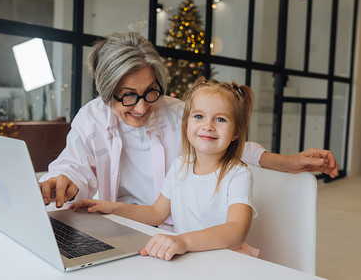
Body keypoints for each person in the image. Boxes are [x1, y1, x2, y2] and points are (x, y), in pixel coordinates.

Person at [39, 31, 338, 210]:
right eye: (128, 96)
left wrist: (288, 162)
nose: (142, 107)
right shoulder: (91, 118)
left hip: (167, 227)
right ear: (106, 94)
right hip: (118, 224)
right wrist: (63, 183)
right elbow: (74, 168)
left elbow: (227, 144)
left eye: (150, 92)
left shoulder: (174, 112)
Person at [71, 78, 259, 260]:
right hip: (189, 258)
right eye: (199, 116)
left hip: (225, 261)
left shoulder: (237, 174)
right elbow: (155, 214)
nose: (207, 126)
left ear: (236, 132)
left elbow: (236, 231)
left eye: (220, 119)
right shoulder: (179, 166)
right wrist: (112, 208)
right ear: (186, 123)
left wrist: (183, 241)